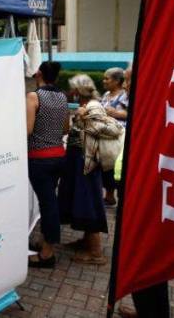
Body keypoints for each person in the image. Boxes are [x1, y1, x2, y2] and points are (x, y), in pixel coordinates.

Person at [59, 74, 109, 264]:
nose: (71, 92)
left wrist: (82, 116)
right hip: (80, 161)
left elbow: (97, 133)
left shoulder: (92, 107)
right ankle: (87, 241)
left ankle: (95, 252)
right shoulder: (88, 106)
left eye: (73, 89)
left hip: (86, 162)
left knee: (88, 201)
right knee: (81, 199)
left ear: (79, 90)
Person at [25, 61, 69, 268]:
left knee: (48, 204)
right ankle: (45, 242)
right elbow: (66, 128)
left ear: (39, 74)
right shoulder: (62, 97)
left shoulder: (34, 97)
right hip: (59, 156)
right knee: (49, 201)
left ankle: (47, 253)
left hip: (39, 158)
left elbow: (28, 129)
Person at [99, 67, 128, 206]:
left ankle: (115, 197)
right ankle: (109, 196)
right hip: (105, 136)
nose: (104, 81)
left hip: (118, 137)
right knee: (105, 166)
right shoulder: (106, 95)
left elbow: (130, 113)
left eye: (107, 78)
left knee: (115, 167)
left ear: (117, 81)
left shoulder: (124, 95)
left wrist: (114, 113)